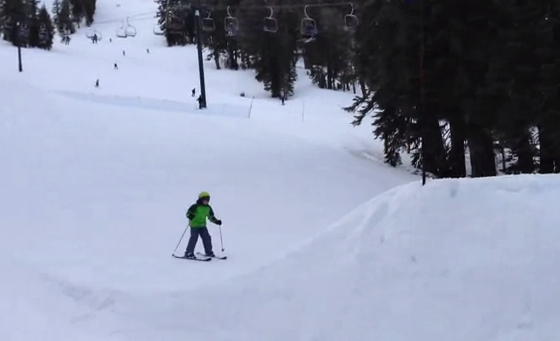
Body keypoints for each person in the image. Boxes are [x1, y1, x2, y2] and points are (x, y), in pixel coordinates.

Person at [184, 192, 222, 258]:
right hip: (194, 225)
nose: (206, 201)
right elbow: (188, 213)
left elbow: (211, 217)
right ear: (201, 199)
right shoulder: (195, 206)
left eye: (208, 200)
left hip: (202, 226)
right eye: (205, 199)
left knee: (207, 238)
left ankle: (209, 252)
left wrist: (216, 221)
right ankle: (189, 253)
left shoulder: (208, 208)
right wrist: (190, 216)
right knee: (194, 238)